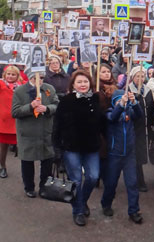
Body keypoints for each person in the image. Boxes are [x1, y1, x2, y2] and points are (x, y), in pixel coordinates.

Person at [53, 70, 105, 226]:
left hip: (91, 146)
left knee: (93, 177)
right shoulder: (66, 101)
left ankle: (82, 201)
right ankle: (78, 211)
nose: (83, 85)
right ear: (73, 84)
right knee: (75, 180)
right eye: (79, 82)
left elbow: (102, 122)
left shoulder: (96, 99)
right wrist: (56, 148)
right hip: (71, 147)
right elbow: (57, 125)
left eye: (85, 82)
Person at [11, 69, 59, 197]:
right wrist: (30, 106)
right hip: (28, 131)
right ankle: (29, 187)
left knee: (47, 161)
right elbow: (15, 112)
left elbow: (56, 104)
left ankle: (44, 186)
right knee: (27, 161)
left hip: (45, 130)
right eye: (37, 78)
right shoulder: (20, 91)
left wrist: (47, 108)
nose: (40, 81)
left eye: (42, 78)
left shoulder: (49, 89)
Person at [100, 88, 144, 224]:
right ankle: (106, 203)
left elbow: (140, 114)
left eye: (123, 99)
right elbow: (112, 117)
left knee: (132, 183)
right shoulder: (109, 112)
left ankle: (134, 210)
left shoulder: (130, 112)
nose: (122, 102)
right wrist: (120, 105)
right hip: (115, 154)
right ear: (114, 102)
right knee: (111, 182)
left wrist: (134, 102)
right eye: (118, 100)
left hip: (129, 154)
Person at [0, 59, 24, 178]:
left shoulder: (22, 86)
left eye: (13, 74)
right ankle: (2, 167)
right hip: (3, 122)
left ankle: (26, 170)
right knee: (3, 148)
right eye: (8, 74)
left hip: (19, 122)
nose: (10, 76)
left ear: (17, 76)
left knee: (24, 149)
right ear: (4, 75)